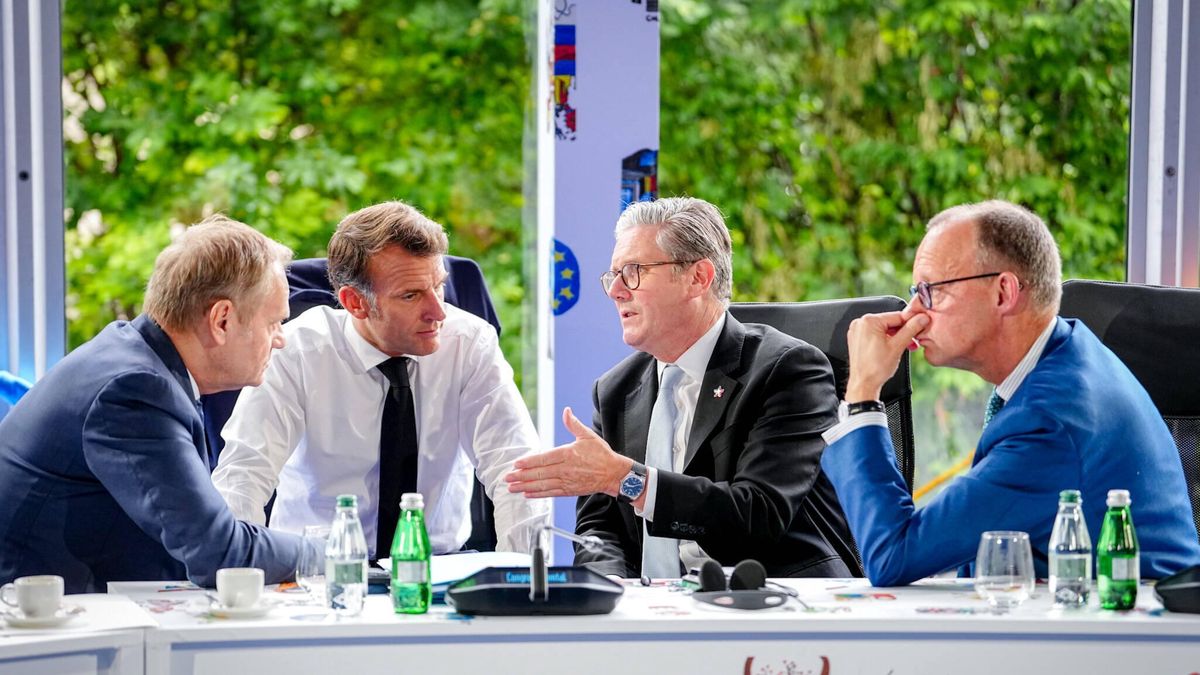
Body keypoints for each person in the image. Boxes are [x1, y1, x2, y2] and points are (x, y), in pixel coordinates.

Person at [822, 199, 1200, 586]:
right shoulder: (1070, 352)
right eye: (915, 290)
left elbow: (893, 555)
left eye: (931, 290)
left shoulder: (1049, 423)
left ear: (1003, 292)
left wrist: (864, 391)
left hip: (1126, 635)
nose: (914, 311)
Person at [504, 197, 859, 578]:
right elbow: (599, 532)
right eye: (613, 275)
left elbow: (758, 515)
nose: (616, 291)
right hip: (655, 615)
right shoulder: (614, 391)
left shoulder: (787, 370)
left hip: (772, 607)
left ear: (698, 278)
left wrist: (628, 480)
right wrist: (612, 594)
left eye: (634, 271)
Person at [212, 201, 550, 558]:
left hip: (440, 569)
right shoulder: (297, 351)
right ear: (355, 302)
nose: (438, 311)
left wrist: (521, 579)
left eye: (438, 286)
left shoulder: (469, 343)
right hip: (321, 569)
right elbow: (243, 475)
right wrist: (240, 578)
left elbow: (518, 471)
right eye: (411, 295)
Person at [0, 215, 305, 593]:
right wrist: (330, 554)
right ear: (221, 319)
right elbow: (218, 553)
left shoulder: (135, 359)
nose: (281, 340)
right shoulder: (135, 390)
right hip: (43, 631)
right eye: (274, 323)